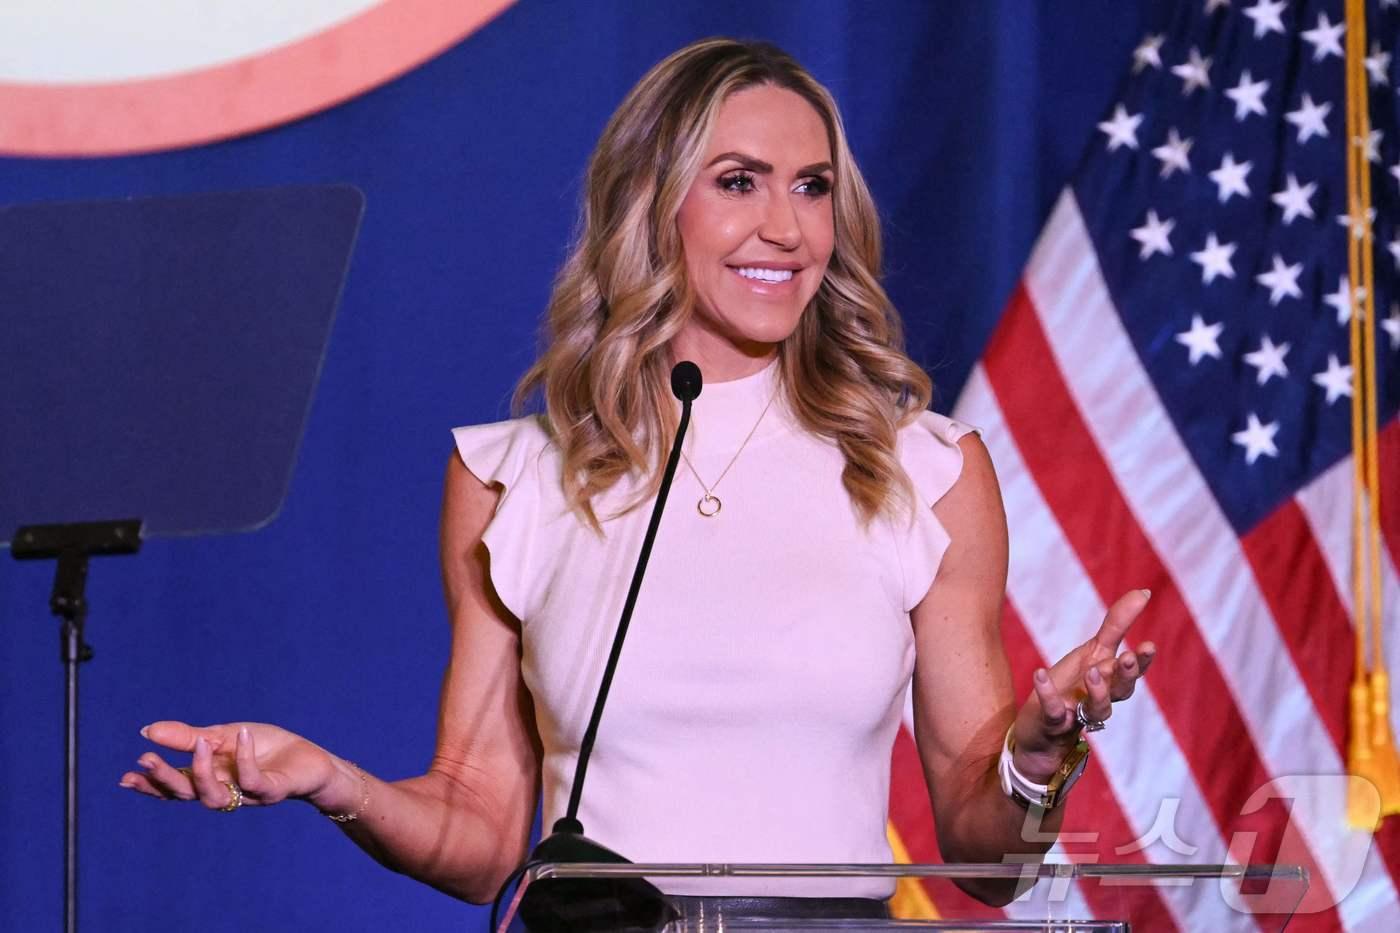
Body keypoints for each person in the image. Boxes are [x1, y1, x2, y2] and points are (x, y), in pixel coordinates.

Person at [120, 38, 1155, 923]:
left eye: (811, 187)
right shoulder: (513, 479)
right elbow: (478, 835)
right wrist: (331, 781)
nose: (787, 228)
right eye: (739, 182)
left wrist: (1032, 757)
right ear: (651, 205)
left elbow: (988, 861)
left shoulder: (921, 469)